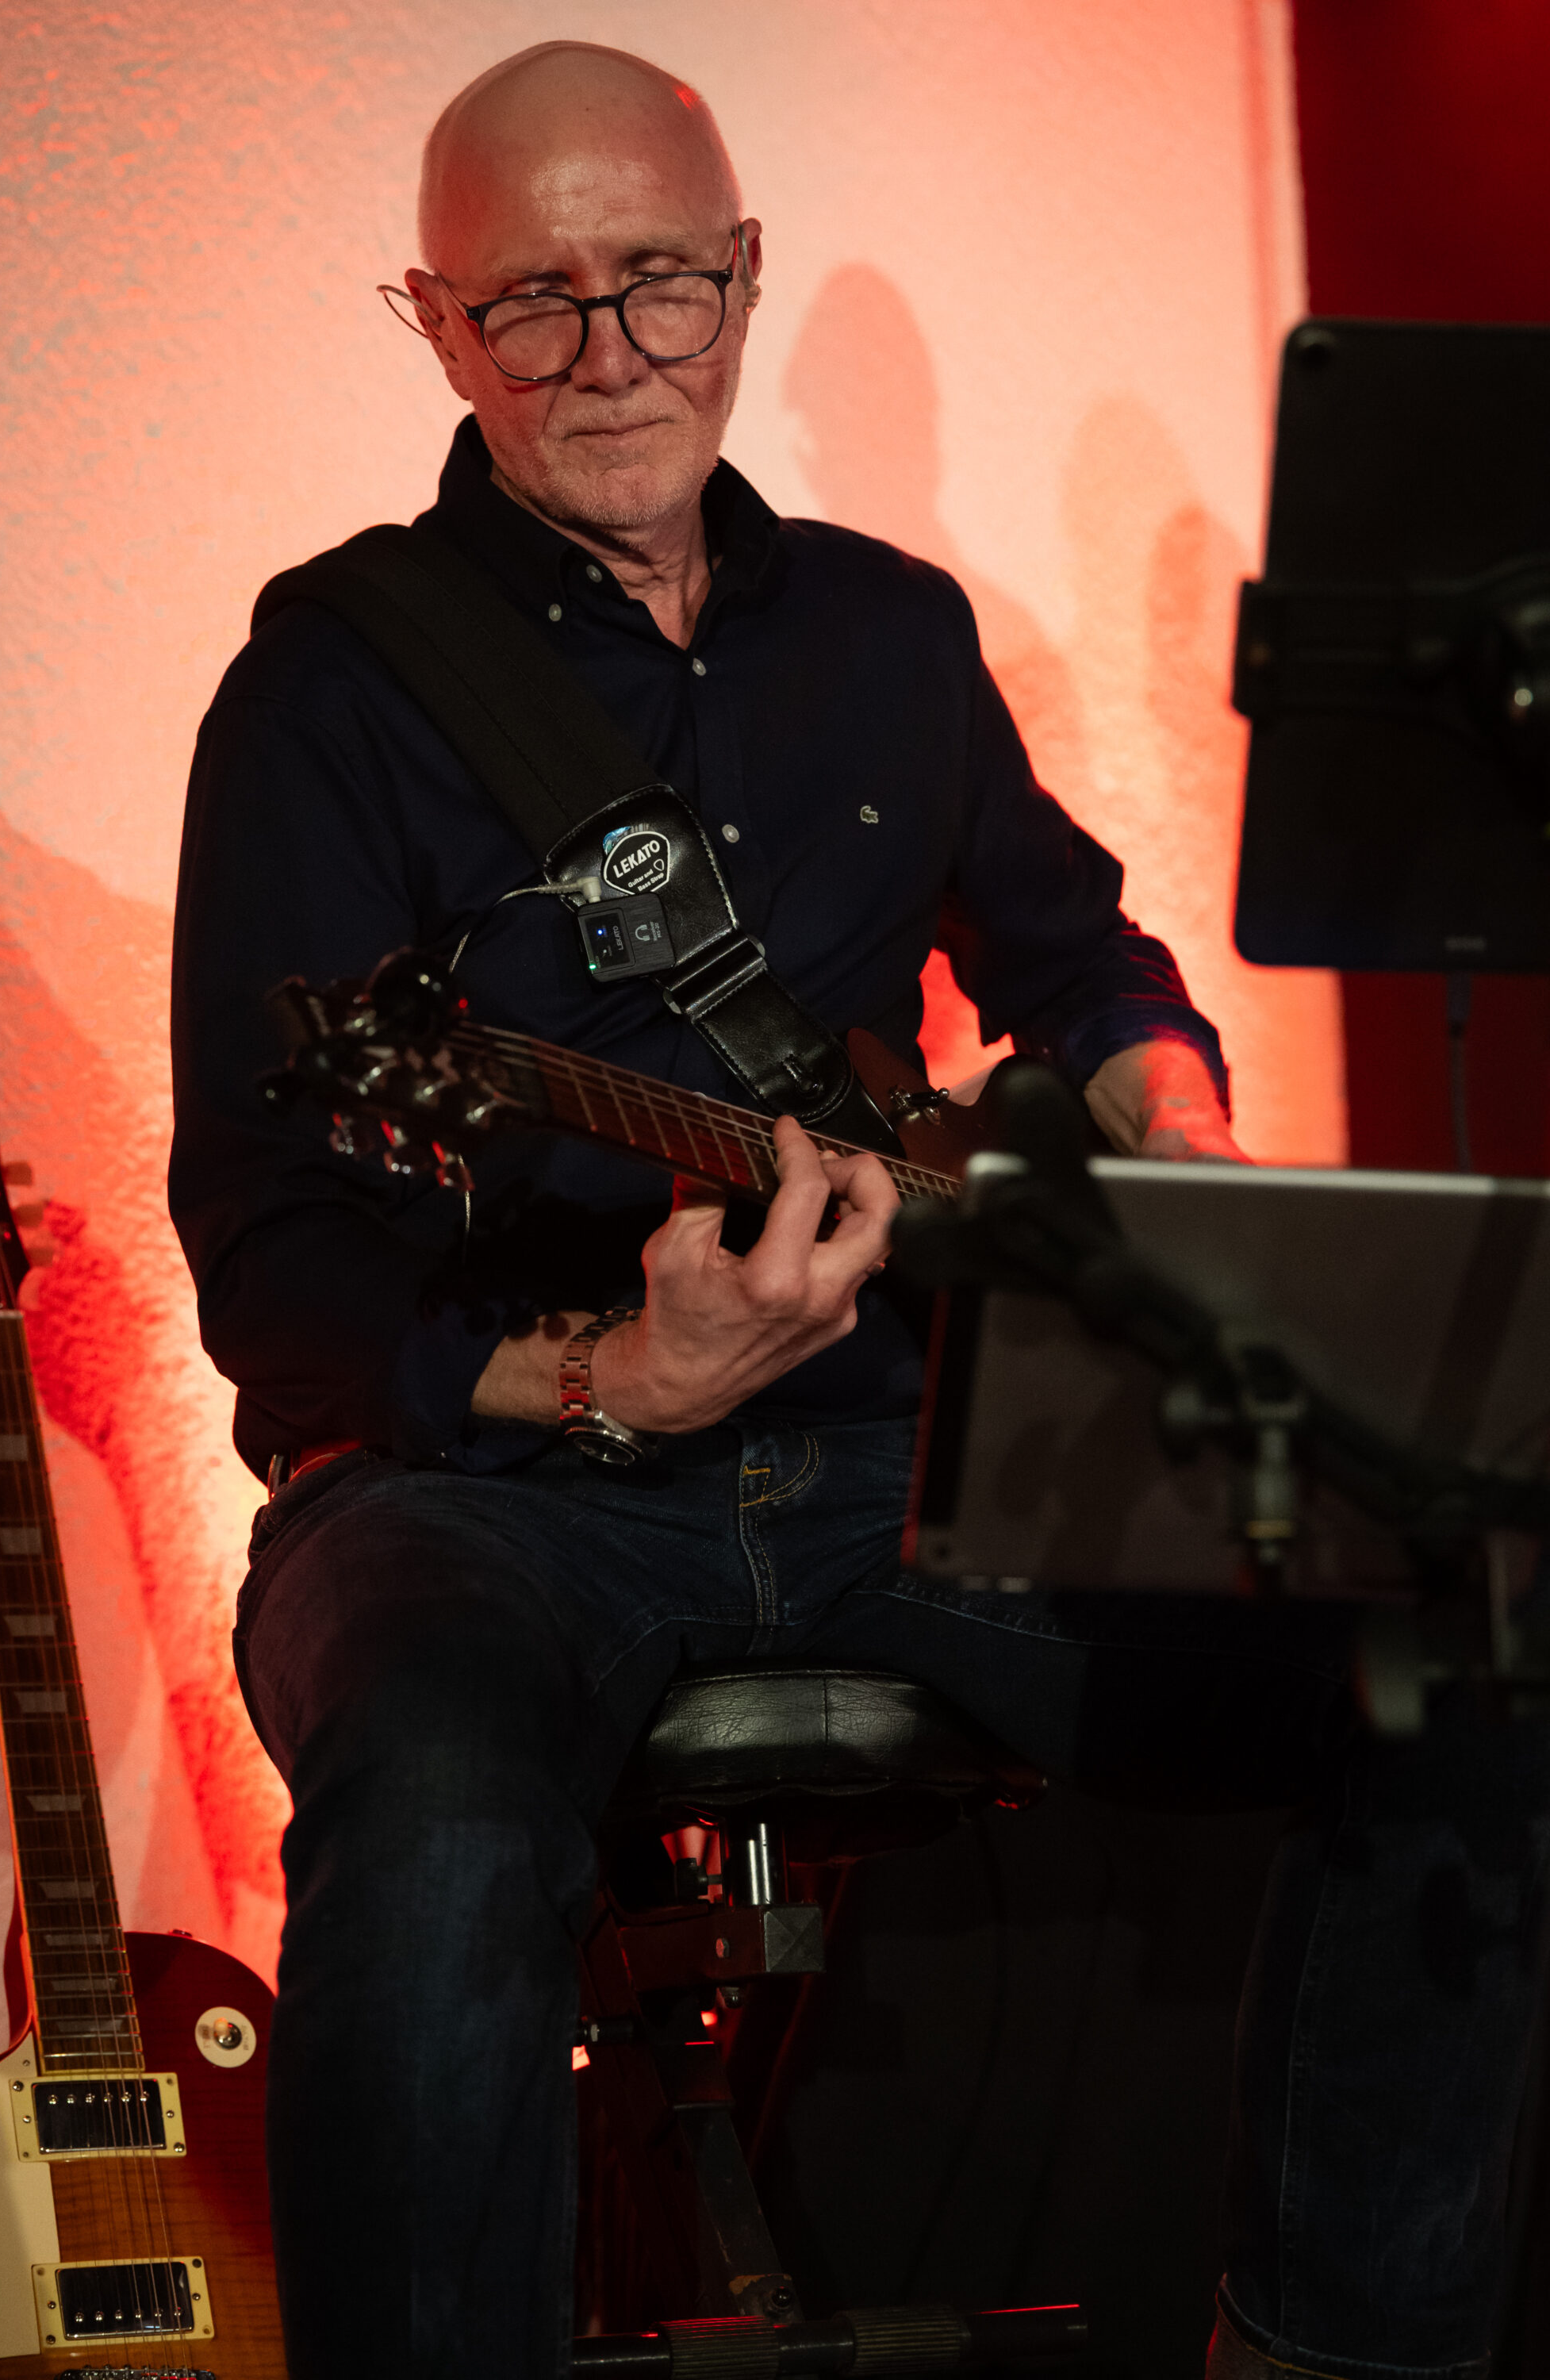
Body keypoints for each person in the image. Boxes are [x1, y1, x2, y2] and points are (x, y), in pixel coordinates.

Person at [169, 41, 1548, 2380]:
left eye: (662, 284)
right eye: (533, 302)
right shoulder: (326, 689)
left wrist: (1172, 1126)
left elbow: (1081, 961)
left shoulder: (890, 635)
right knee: (430, 1823)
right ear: (434, 322)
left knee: (1466, 1659)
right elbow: (271, 1253)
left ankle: (1325, 2353)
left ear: (744, 278)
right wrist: (613, 1376)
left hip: (896, 1463)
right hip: (482, 1493)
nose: (611, 357)